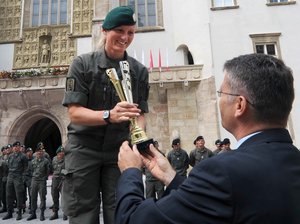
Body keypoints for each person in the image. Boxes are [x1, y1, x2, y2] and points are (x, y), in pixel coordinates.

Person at [115, 53, 300, 224]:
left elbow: (133, 220)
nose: (218, 101)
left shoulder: (222, 170)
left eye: (221, 94)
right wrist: (171, 177)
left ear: (240, 105)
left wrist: (130, 172)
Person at [62, 6, 149, 224]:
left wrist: (139, 138)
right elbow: (75, 113)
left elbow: (140, 114)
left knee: (121, 211)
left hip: (119, 151)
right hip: (84, 149)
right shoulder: (82, 64)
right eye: (119, 31)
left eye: (130, 32)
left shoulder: (139, 71)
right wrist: (109, 115)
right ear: (104, 30)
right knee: (83, 213)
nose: (125, 37)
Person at [2, 141, 28, 220]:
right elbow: (7, 167)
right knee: (8, 195)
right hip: (10, 176)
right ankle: (10, 212)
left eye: (18, 146)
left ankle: (19, 212)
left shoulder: (23, 156)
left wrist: (23, 178)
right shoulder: (10, 156)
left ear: (19, 148)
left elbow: (26, 168)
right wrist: (6, 176)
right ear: (13, 148)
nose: (16, 148)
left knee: (19, 195)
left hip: (18, 176)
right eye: (15, 147)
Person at [27, 146, 50, 221]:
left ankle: (42, 213)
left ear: (42, 152)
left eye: (41, 151)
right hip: (34, 180)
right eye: (38, 151)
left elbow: (48, 171)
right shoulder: (33, 161)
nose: (39, 153)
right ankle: (33, 213)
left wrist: (44, 178)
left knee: (42, 197)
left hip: (41, 181)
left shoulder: (46, 161)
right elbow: (30, 170)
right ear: (36, 152)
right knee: (33, 196)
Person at [49, 146, 67, 221]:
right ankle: (55, 213)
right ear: (57, 153)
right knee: (54, 196)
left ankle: (65, 213)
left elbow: (68, 169)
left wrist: (63, 173)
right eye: (60, 153)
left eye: (63, 152)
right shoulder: (54, 159)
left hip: (63, 180)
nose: (61, 154)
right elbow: (52, 168)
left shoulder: (66, 160)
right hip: (55, 180)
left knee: (64, 197)